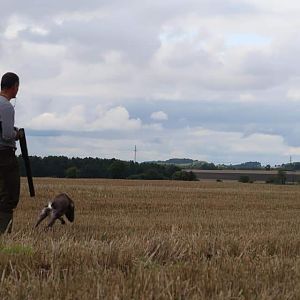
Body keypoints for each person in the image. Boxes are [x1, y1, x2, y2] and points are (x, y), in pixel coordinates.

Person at [0, 72, 22, 233]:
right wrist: (18, 134)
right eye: (17, 86)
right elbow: (7, 135)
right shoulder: (6, 106)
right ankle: (4, 234)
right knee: (8, 197)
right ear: (14, 86)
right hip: (4, 156)